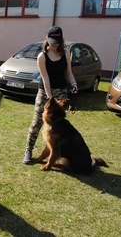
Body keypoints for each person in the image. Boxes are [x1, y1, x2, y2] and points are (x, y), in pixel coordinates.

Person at [22, 26, 78, 164]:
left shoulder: (66, 53)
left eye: (58, 41)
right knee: (37, 123)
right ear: (47, 39)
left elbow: (69, 73)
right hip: (45, 93)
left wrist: (74, 84)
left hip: (61, 91)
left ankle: (55, 152)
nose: (55, 44)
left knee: (58, 126)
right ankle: (28, 151)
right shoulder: (42, 56)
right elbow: (45, 78)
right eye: (53, 41)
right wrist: (49, 98)